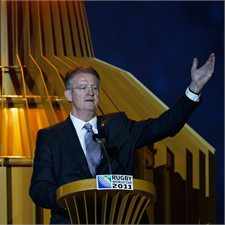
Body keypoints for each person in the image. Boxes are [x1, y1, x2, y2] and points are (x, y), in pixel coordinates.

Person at [29, 53, 215, 224]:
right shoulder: (50, 137)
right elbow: (39, 188)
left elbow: (164, 126)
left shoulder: (119, 127)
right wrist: (69, 197)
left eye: (95, 88)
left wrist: (194, 88)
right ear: (68, 95)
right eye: (83, 87)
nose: (90, 92)